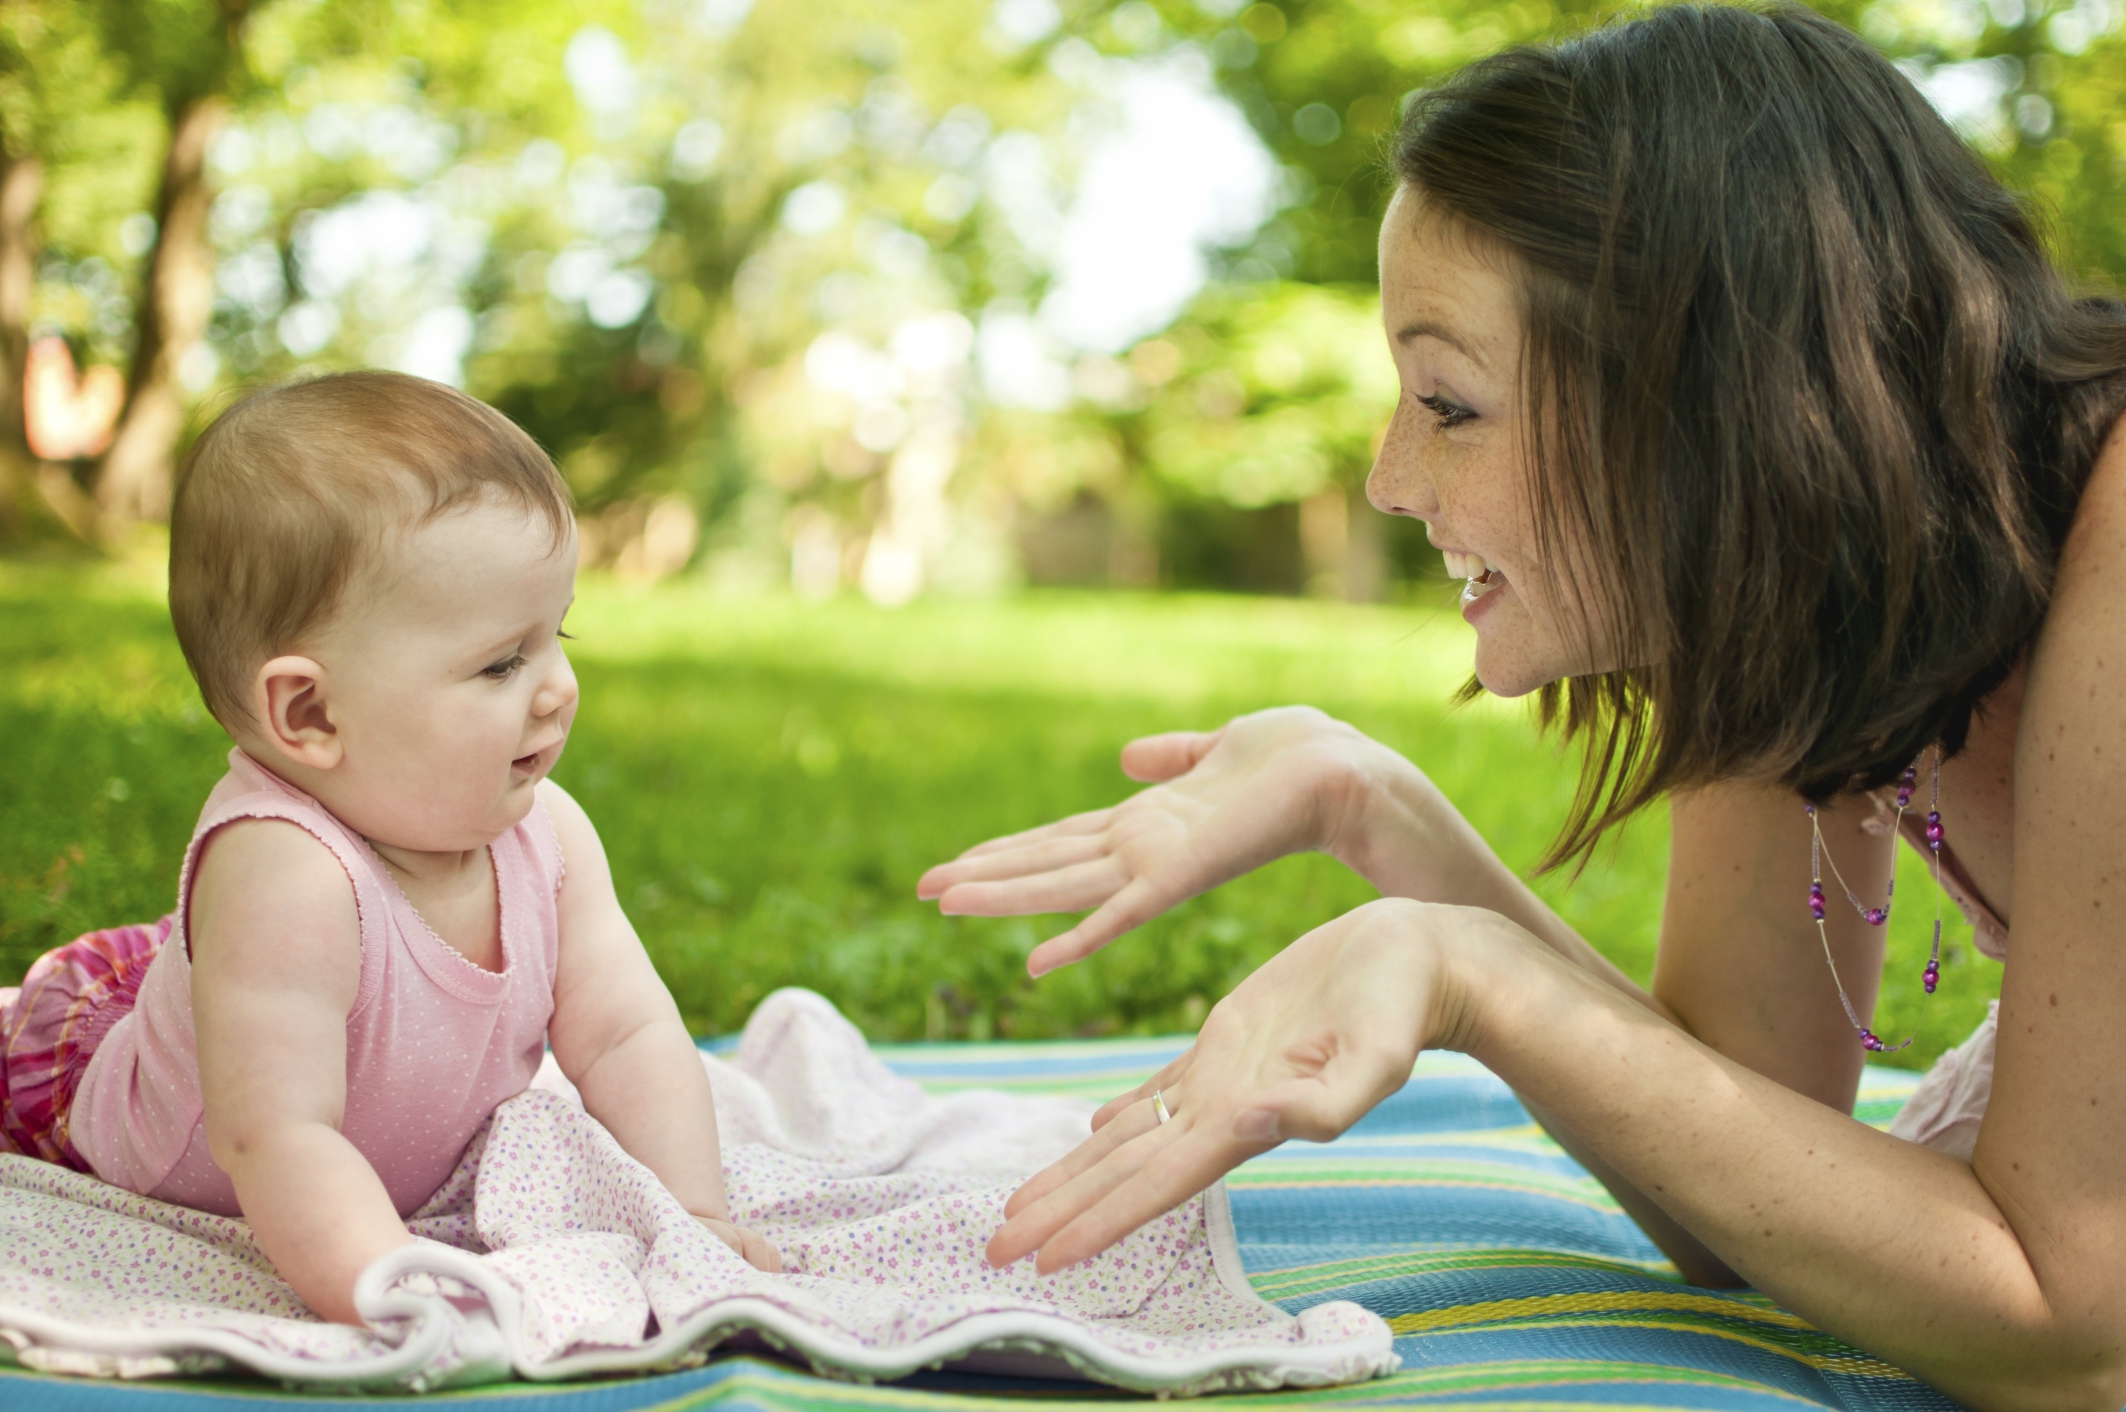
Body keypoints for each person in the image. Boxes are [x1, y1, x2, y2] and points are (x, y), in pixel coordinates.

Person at [918, 5, 2126, 1405]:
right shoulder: (1796, 590)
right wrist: (1373, 811)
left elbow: (2072, 1331)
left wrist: (1476, 975)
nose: (1387, 478)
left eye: (1446, 401)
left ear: (1701, 407)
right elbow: (1740, 1183)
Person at [0, 372, 779, 1325]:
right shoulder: (287, 877)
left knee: (243, 978)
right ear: (311, 712)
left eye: (557, 635)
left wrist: (692, 1214)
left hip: (262, 984)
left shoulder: (551, 837)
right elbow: (279, 1136)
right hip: (98, 1071)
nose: (559, 688)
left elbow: (627, 1033)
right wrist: (389, 1288)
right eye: (502, 661)